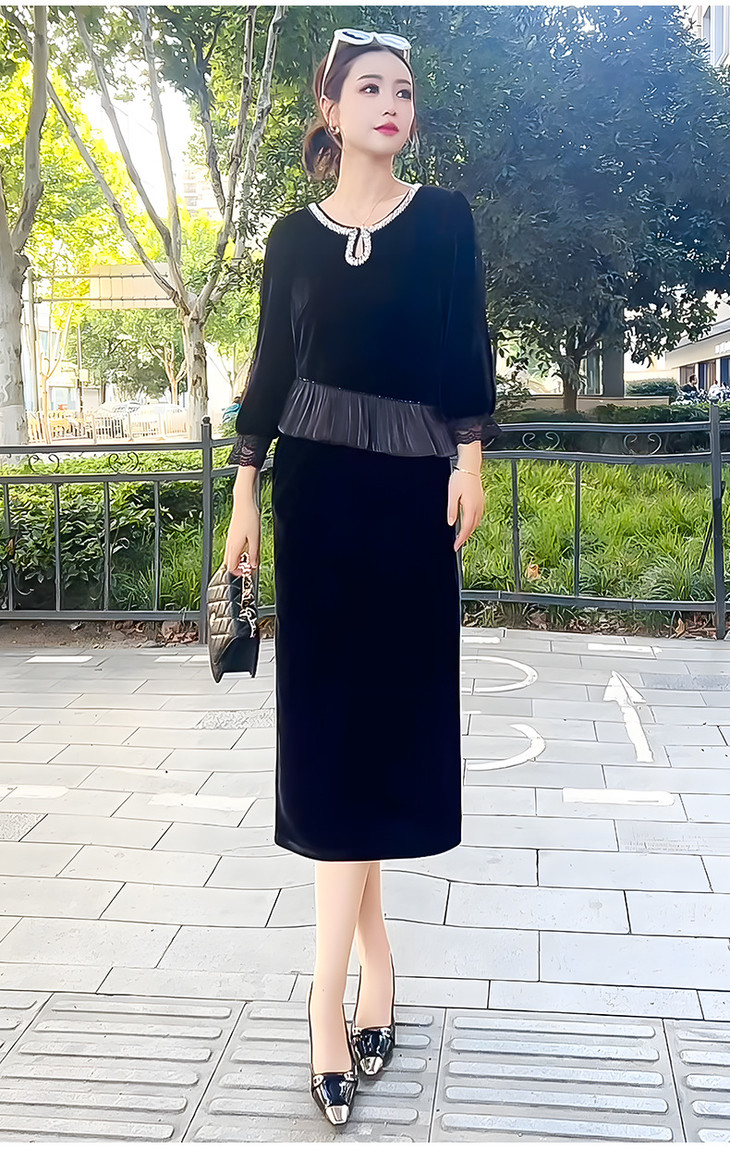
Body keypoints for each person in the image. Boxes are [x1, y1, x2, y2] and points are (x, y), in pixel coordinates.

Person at [223, 26, 501, 1128]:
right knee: (333, 740)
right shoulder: (291, 238)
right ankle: (344, 988)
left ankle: (347, 984)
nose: (392, 102)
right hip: (318, 507)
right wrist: (245, 490)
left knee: (382, 734)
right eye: (369, 87)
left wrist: (470, 457)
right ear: (330, 109)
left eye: (404, 90)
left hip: (407, 503)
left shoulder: (445, 221)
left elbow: (464, 348)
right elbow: (268, 371)